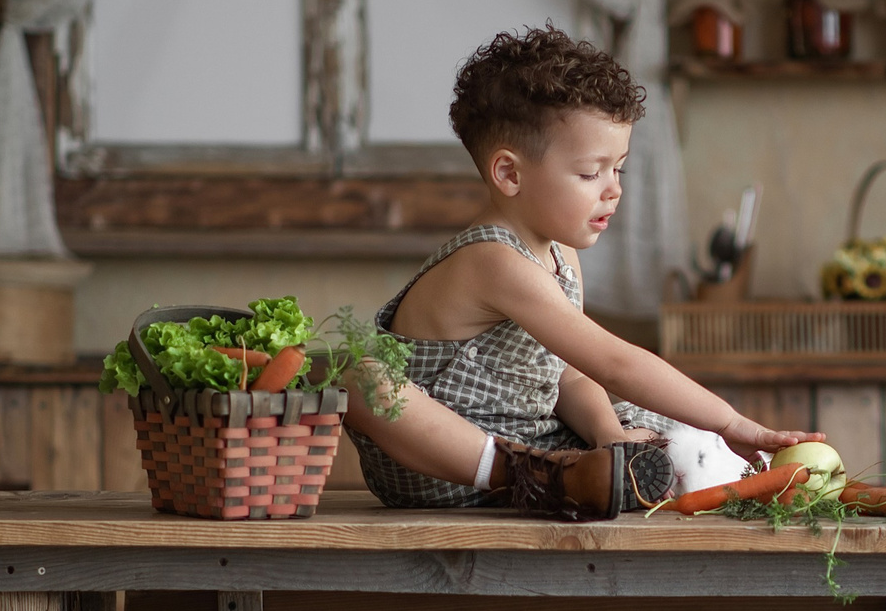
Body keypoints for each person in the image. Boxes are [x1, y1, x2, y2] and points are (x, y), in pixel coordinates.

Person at [345, 26, 819, 516]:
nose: (612, 190)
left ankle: (589, 473)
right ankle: (539, 474)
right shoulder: (494, 261)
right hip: (444, 464)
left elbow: (570, 373)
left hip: (533, 435)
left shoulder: (560, 254)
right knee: (361, 378)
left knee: (667, 436)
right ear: (509, 174)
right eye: (591, 173)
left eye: (619, 169)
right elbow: (616, 363)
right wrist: (732, 422)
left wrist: (608, 435)